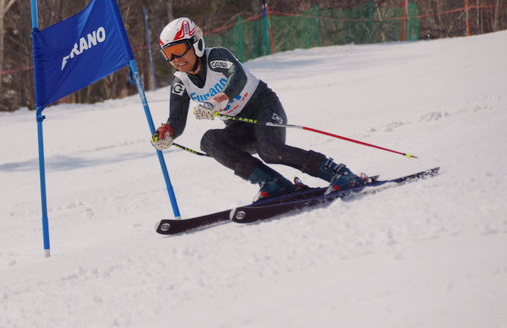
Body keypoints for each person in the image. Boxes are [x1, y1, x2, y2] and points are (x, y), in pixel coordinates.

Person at [150, 17, 366, 202]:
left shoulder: (216, 57)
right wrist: (167, 132)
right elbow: (176, 119)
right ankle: (272, 183)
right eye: (168, 54)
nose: (176, 60)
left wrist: (218, 100)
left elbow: (238, 76)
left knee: (270, 150)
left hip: (263, 107)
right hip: (238, 125)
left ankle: (339, 173)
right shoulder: (181, 81)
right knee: (209, 141)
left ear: (196, 43)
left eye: (178, 51)